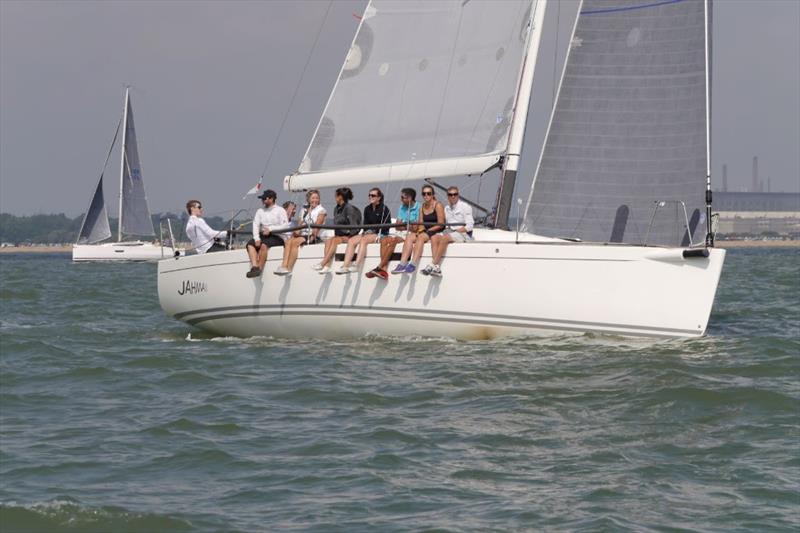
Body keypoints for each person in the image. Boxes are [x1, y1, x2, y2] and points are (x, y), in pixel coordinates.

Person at [365, 187, 420, 281]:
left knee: (393, 240)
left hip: (411, 234)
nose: (401, 199)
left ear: (410, 198)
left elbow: (415, 228)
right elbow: (397, 226)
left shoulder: (419, 207)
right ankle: (384, 269)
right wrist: (408, 224)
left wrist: (404, 225)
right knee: (386, 239)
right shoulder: (402, 207)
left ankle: (380, 267)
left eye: (403, 197)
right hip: (401, 233)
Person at [336, 187, 391, 274]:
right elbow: (365, 224)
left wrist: (372, 231)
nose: (370, 197)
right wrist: (366, 231)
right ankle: (345, 265)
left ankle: (357, 265)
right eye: (369, 195)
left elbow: (387, 226)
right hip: (367, 233)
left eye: (373, 195)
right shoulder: (367, 209)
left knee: (364, 240)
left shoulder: (385, 209)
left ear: (379, 197)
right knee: (351, 240)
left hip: (380, 233)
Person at [392, 184, 444, 274]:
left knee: (420, 237)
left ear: (433, 195)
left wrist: (428, 231)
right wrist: (421, 230)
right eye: (424, 194)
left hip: (436, 231)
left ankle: (413, 264)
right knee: (409, 237)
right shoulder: (422, 206)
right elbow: (420, 222)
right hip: (426, 232)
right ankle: (402, 264)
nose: (426, 196)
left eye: (429, 193)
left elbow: (441, 224)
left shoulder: (438, 205)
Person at [423, 186, 474, 277]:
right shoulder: (446, 208)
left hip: (463, 233)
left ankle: (432, 264)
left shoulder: (465, 207)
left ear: (458, 195)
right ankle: (437, 267)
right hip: (449, 232)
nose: (453, 196)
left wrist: (455, 231)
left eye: (455, 194)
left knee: (445, 238)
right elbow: (444, 223)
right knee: (434, 237)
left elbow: (470, 226)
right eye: (450, 195)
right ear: (448, 196)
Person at [275, 190, 326, 275]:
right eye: (313, 198)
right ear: (309, 199)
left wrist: (312, 236)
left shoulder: (321, 210)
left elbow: (317, 225)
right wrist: (295, 233)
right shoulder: (304, 210)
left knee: (294, 242)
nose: (315, 200)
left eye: (317, 198)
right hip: (303, 234)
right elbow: (299, 225)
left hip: (312, 236)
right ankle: (283, 266)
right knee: (288, 241)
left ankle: (289, 268)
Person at [314, 187, 362, 273]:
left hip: (350, 236)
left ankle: (323, 263)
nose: (334, 197)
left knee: (335, 240)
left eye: (336, 196)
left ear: (340, 197)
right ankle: (327, 266)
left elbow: (354, 227)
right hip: (339, 235)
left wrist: (348, 234)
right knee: (329, 241)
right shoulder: (336, 209)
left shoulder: (349, 209)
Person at [245, 189, 289, 278]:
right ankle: (255, 267)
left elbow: (285, 226)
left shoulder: (280, 210)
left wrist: (271, 229)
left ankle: (259, 269)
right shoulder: (260, 211)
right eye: (263, 199)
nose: (263, 200)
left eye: (265, 198)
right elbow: (255, 224)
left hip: (277, 236)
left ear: (272, 199)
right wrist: (256, 238)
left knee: (264, 245)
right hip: (263, 235)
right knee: (250, 244)